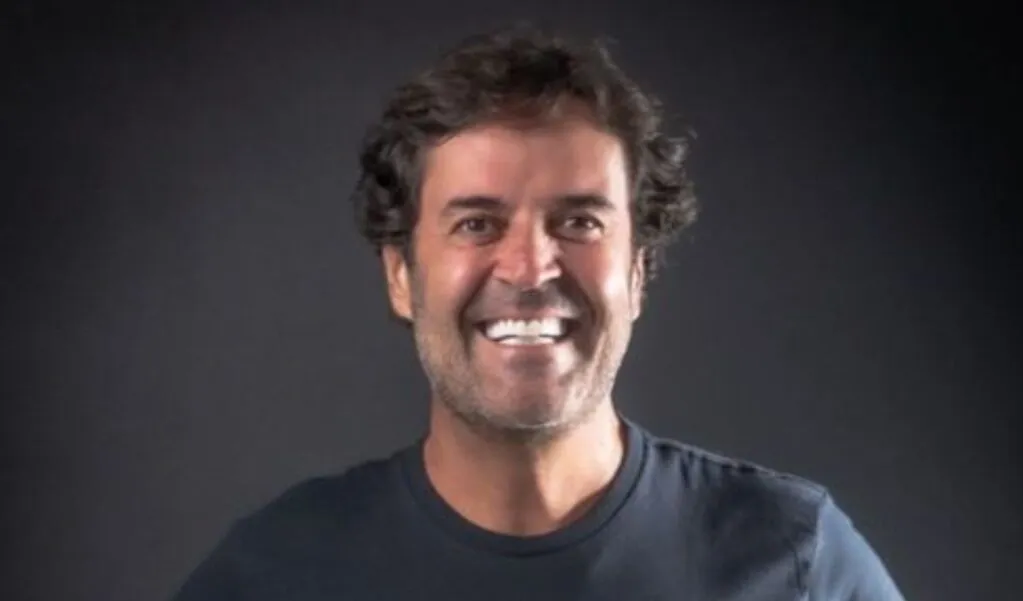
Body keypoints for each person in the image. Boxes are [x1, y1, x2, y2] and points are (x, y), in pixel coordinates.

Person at [173, 24, 906, 601]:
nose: (529, 268)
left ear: (638, 272)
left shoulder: (796, 564)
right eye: (477, 224)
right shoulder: (278, 574)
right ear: (401, 275)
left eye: (579, 222)